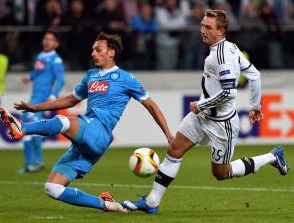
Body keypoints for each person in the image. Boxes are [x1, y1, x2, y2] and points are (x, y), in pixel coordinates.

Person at [121, 9, 290, 214]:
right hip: (202, 116)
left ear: (221, 31)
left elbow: (229, 92)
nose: (203, 30)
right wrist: (255, 106)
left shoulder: (222, 56)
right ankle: (151, 203)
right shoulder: (229, 48)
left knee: (221, 173)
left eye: (208, 27)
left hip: (221, 123)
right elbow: (254, 74)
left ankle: (273, 157)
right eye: (202, 25)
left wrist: (201, 104)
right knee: (175, 150)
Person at [0, 32, 173, 212]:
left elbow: (151, 105)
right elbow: (70, 100)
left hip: (100, 131)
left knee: (63, 121)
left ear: (111, 52)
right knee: (53, 188)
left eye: (98, 50)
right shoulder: (90, 75)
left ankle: (22, 128)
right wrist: (36, 108)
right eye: (92, 50)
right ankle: (107, 204)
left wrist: (168, 134)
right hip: (86, 140)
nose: (93, 54)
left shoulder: (126, 78)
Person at [19, 30, 65, 173]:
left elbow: (60, 79)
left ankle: (36, 162)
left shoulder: (56, 60)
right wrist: (30, 77)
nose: (47, 41)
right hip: (34, 98)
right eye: (45, 38)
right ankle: (29, 163)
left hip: (43, 100)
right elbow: (38, 73)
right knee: (25, 127)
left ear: (56, 43)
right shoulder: (40, 56)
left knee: (32, 127)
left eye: (51, 39)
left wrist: (53, 96)